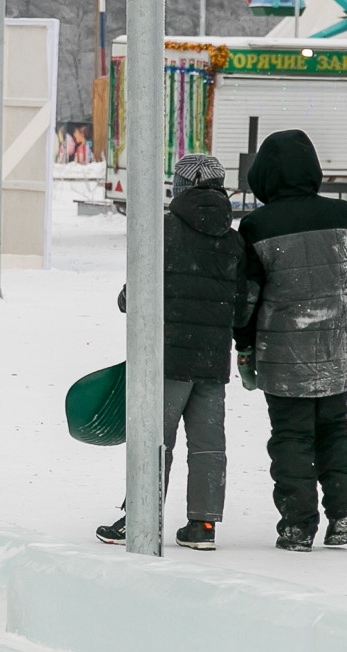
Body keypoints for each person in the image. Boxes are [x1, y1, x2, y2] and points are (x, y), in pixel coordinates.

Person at [236, 128, 347, 552]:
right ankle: (344, 511)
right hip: (336, 349)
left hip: (282, 353)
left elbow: (246, 301)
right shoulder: (341, 215)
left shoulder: (255, 226)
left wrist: (244, 348)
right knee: (335, 428)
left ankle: (297, 523)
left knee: (290, 436)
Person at [94, 151, 251, 551]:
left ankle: (140, 518)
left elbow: (134, 298)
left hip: (168, 358)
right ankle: (203, 525)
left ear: (179, 190)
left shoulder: (161, 231)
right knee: (208, 443)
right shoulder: (234, 240)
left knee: (154, 438)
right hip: (214, 359)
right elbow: (243, 301)